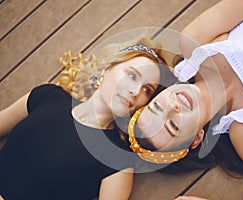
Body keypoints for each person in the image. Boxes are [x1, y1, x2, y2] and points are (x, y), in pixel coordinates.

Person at [126, 0, 243, 199]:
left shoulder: (195, 41)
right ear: (196, 139)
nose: (173, 106)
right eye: (173, 125)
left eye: (157, 106)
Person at [0, 36, 178, 200]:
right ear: (106, 70)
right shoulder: (47, 95)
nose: (135, 91)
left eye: (147, 90)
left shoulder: (117, 159)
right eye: (131, 76)